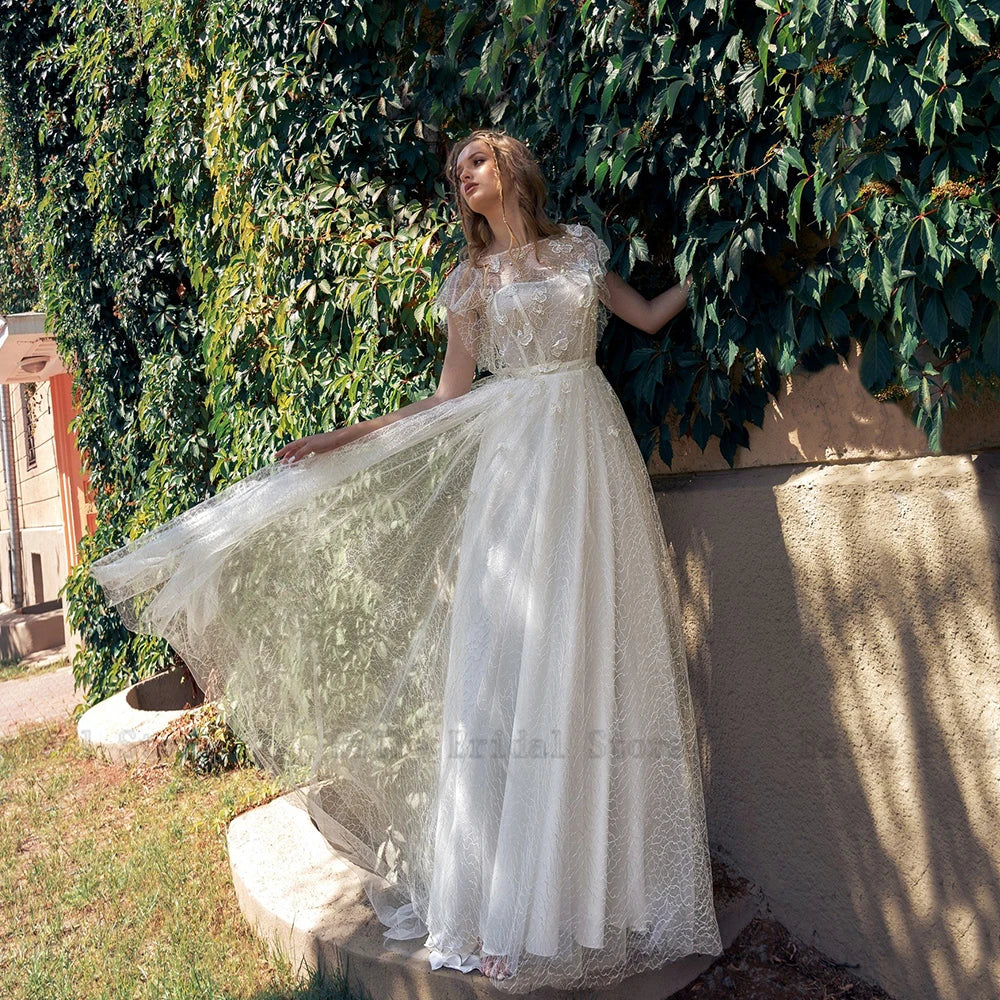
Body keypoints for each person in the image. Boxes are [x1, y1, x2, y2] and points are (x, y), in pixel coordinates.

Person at [90, 127, 723, 993]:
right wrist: (342, 439)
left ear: (512, 168)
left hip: (590, 461)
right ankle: (505, 907)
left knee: (586, 662)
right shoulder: (469, 285)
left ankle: (593, 897)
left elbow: (646, 317)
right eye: (455, 169)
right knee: (508, 672)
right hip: (515, 477)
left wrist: (722, 264)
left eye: (475, 159)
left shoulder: (576, 250)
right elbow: (444, 400)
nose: (462, 176)